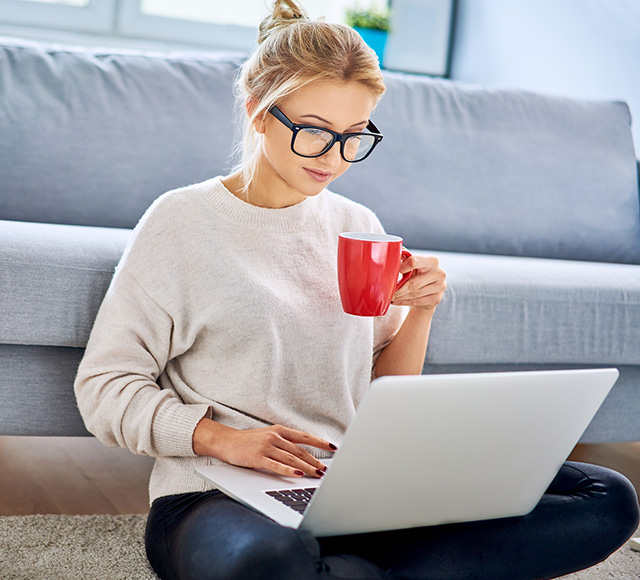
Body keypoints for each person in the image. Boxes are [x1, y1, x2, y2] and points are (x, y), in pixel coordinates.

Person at [74, 1, 639, 579]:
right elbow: (103, 387)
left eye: (353, 136)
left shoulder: (359, 225)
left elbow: (384, 400)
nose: (335, 158)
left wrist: (420, 312)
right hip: (215, 496)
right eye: (315, 133)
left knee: (606, 497)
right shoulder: (181, 222)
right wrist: (221, 439)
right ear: (259, 114)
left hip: (353, 492)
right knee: (274, 562)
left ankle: (349, 566)